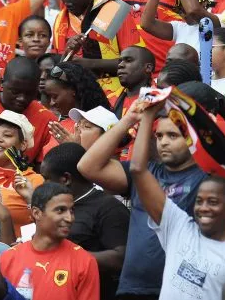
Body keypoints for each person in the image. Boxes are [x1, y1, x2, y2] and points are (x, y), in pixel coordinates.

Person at [128, 100, 225, 300]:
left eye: (213, 201)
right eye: (200, 201)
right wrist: (148, 117)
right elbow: (137, 169)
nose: (204, 207)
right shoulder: (177, 228)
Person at [77, 90, 205, 299]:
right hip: (132, 288)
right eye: (159, 135)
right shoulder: (147, 173)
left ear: (191, 138)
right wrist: (130, 118)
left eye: (173, 135)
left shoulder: (205, 178)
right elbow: (87, 166)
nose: (163, 142)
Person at [39, 143, 128, 300]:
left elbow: (120, 258)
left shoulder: (109, 208)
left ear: (65, 179)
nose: (43, 185)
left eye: (47, 179)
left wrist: (68, 255)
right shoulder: (56, 207)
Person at [0, 182, 100, 300]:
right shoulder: (7, 259)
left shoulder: (85, 261)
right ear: (36, 213)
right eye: (60, 210)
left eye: (71, 210)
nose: (70, 218)